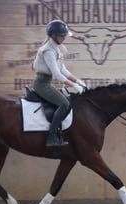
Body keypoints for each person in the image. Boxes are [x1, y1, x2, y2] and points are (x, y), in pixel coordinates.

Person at [32, 19, 86, 147]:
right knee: (64, 103)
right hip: (41, 84)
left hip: (46, 82)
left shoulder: (57, 48)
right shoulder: (48, 51)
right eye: (62, 35)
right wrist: (73, 85)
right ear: (53, 35)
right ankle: (52, 138)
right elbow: (56, 74)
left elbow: (63, 69)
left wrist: (77, 81)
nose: (64, 38)